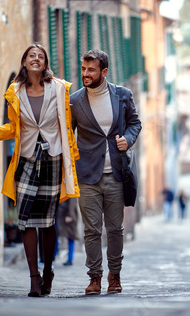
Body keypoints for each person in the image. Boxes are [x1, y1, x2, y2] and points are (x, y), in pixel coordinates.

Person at [0, 44, 80, 297]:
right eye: (31, 55)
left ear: (45, 63)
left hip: (53, 158)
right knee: (25, 220)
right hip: (26, 159)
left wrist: (74, 155)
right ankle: (34, 277)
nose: (35, 59)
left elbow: (67, 123)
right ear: (24, 61)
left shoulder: (59, 88)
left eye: (40, 56)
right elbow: (14, 127)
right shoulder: (15, 91)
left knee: (47, 220)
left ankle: (48, 270)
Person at [70, 49, 141, 295]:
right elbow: (68, 134)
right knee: (91, 230)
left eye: (91, 69)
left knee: (115, 229)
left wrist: (128, 140)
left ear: (104, 71)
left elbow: (135, 123)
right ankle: (94, 277)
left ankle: (115, 274)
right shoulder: (75, 100)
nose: (86, 74)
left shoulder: (123, 95)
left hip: (116, 175)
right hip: (87, 175)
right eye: (83, 69)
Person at [57, 198, 79, 266]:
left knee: (71, 236)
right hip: (61, 214)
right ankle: (54, 256)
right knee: (56, 235)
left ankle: (70, 259)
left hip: (68, 215)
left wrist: (70, 215)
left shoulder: (71, 187)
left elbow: (72, 200)